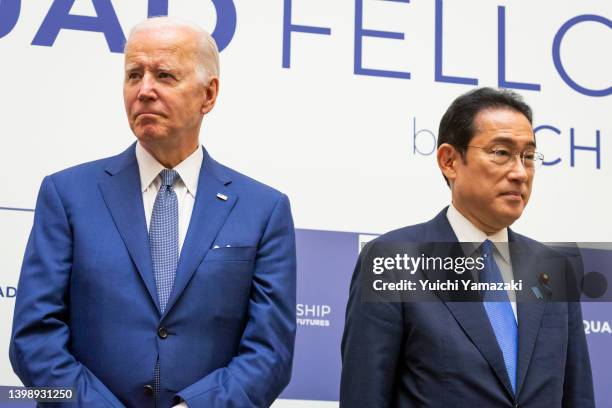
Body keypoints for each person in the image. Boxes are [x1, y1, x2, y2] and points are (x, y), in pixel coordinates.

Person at [9, 17, 296, 408]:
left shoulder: (264, 210)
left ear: (208, 95)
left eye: (164, 75)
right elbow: (32, 342)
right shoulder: (66, 195)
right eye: (133, 75)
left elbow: (271, 354)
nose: (144, 90)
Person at [340, 87, 594, 407]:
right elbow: (365, 396)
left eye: (528, 156)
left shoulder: (553, 269)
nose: (519, 172)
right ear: (449, 161)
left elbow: (578, 395)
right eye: (501, 152)